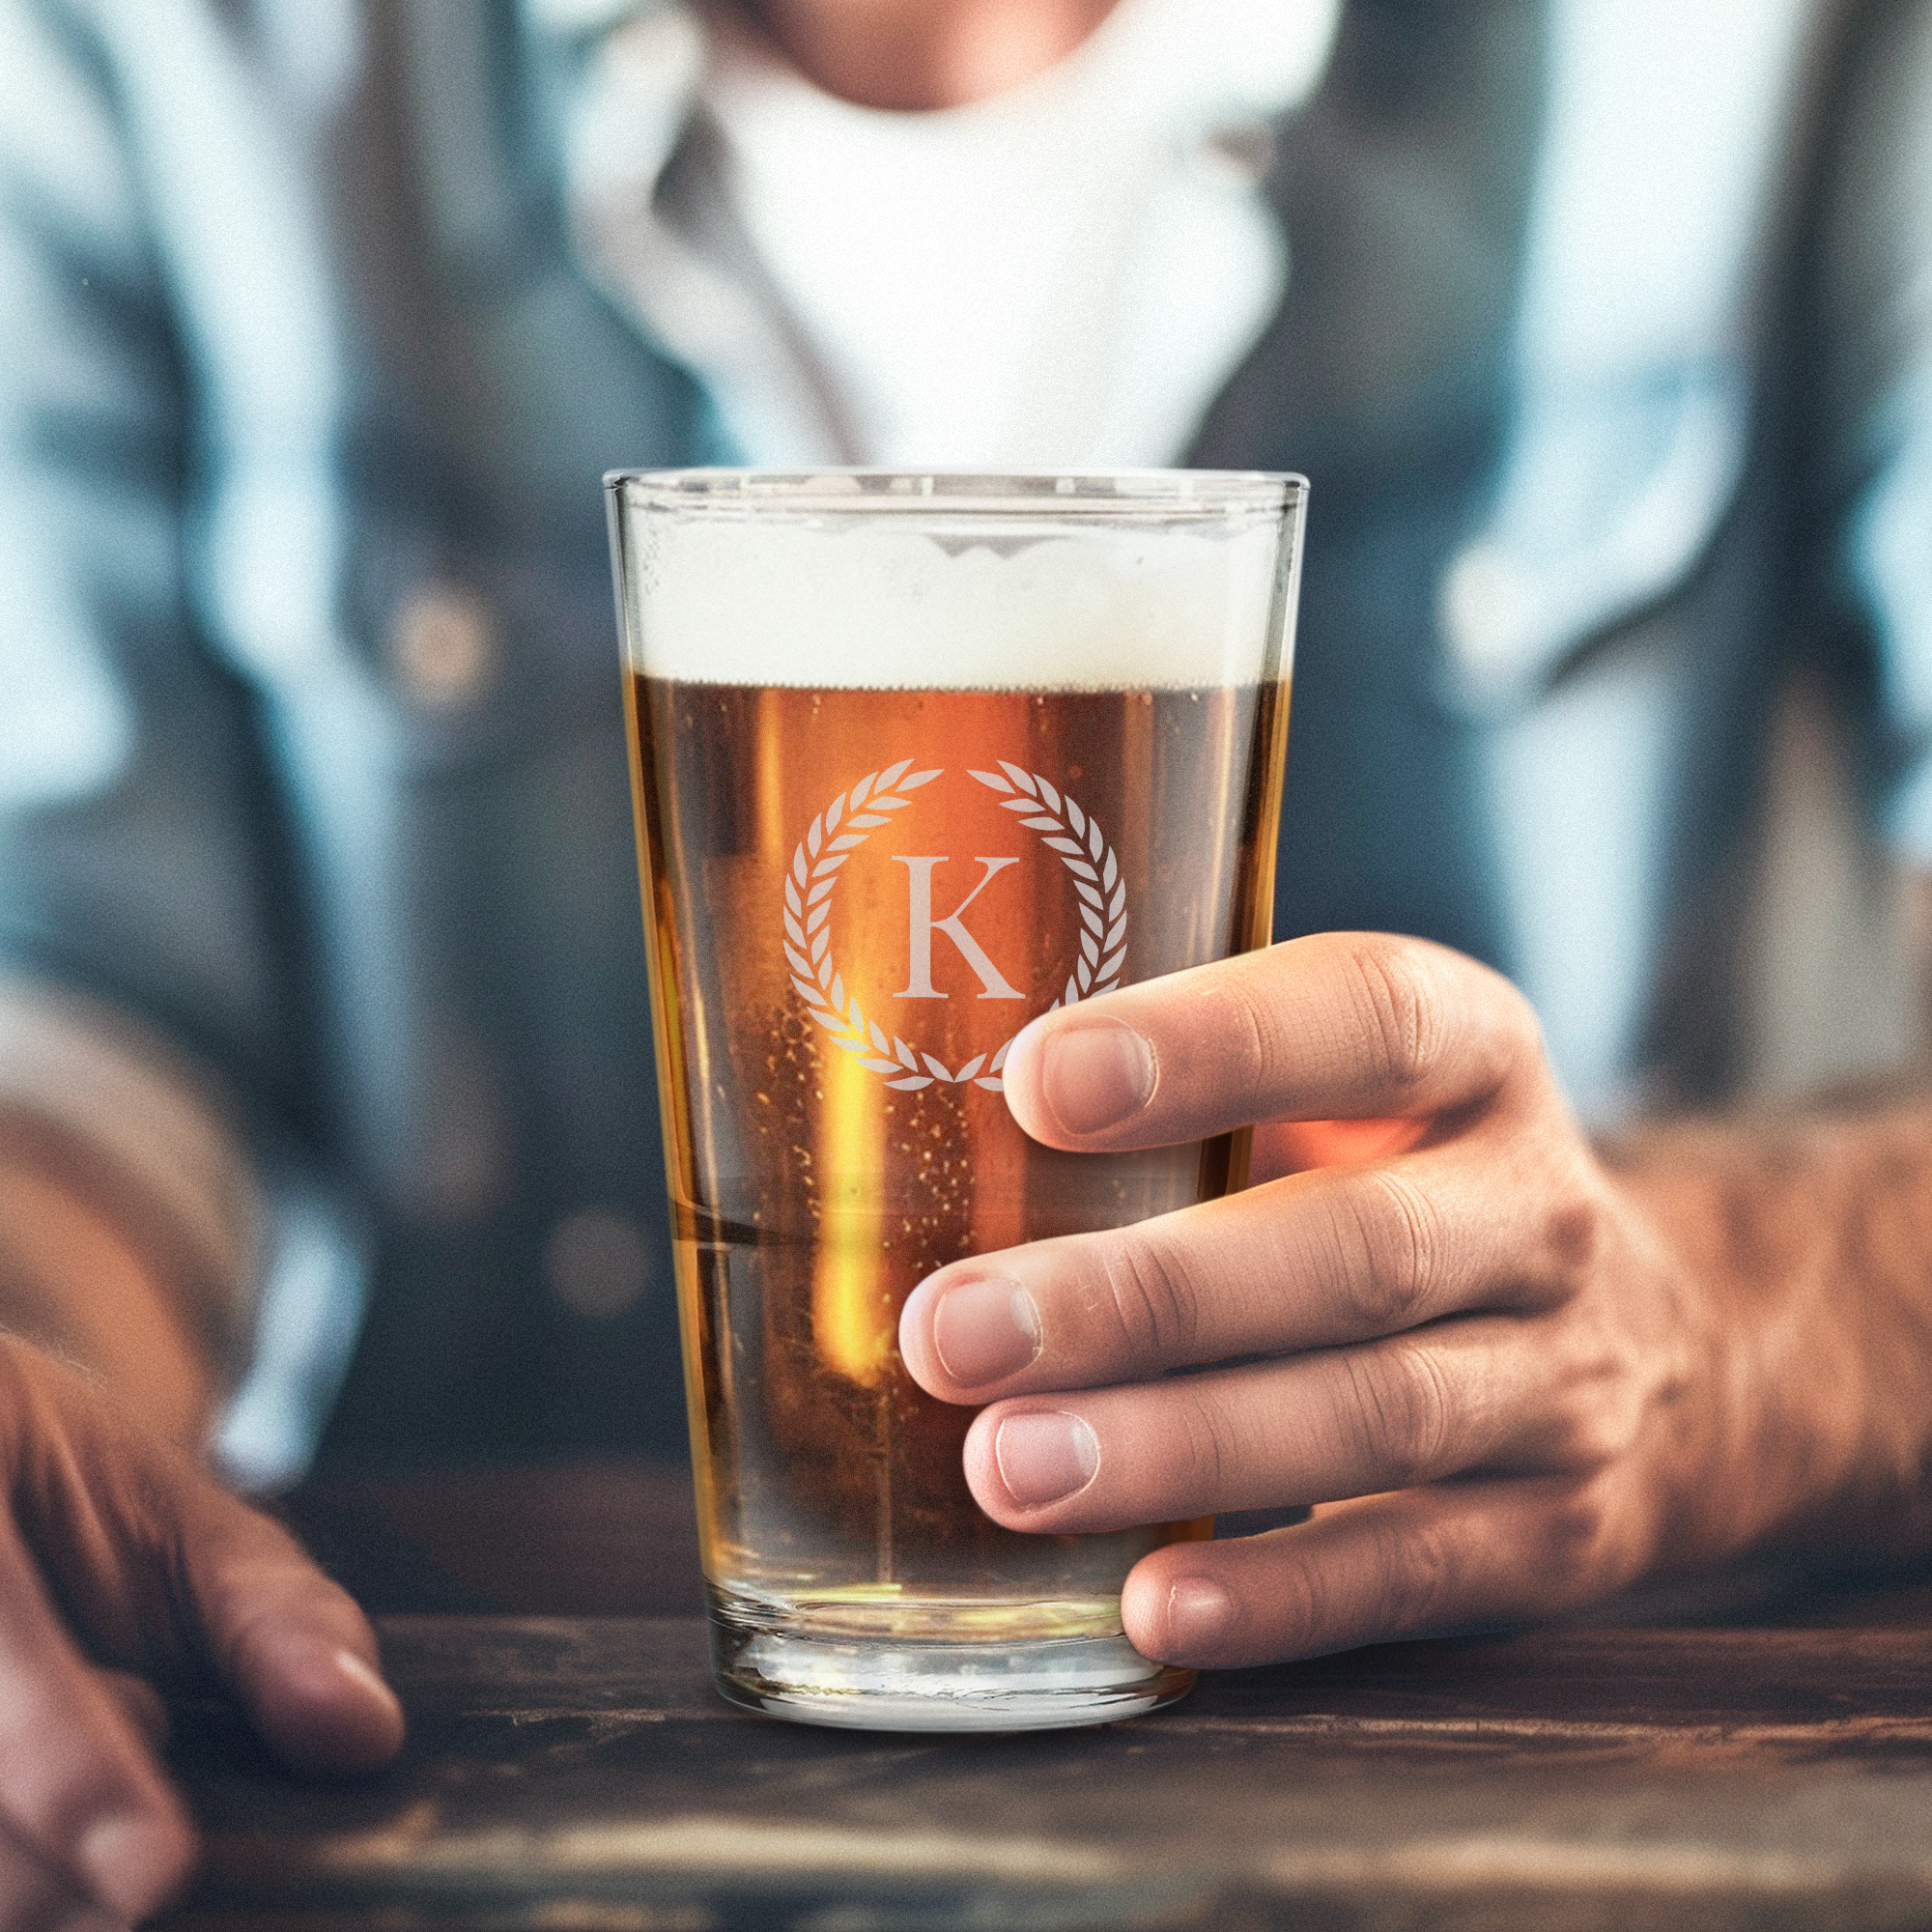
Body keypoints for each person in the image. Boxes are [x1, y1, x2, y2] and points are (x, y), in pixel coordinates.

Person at [1, 0, 1930, 1917]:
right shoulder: (147, 49)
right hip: (478, 1776)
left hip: (1511, 1798)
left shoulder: (1774, 50)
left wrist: (1715, 1315)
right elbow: (82, 1013)